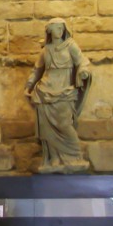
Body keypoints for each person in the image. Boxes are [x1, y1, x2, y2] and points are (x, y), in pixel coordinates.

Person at [24, 18, 92, 173]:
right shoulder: (46, 50)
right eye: (56, 28)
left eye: (61, 28)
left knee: (65, 125)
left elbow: (82, 62)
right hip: (45, 91)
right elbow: (37, 70)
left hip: (65, 90)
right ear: (49, 31)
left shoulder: (70, 46)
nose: (59, 31)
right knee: (47, 128)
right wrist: (28, 86)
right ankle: (53, 159)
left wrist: (83, 71)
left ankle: (75, 156)